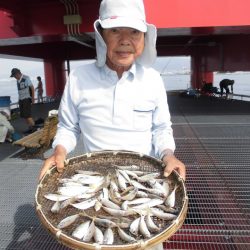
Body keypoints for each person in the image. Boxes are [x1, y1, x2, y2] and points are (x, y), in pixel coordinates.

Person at [39, 0, 186, 249]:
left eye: (134, 32)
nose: (125, 40)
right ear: (102, 36)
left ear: (144, 38)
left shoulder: (153, 80)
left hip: (144, 184)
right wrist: (60, 151)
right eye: (115, 31)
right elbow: (68, 126)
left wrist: (169, 154)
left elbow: (161, 128)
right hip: (93, 186)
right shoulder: (78, 78)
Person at [10, 68, 36, 134]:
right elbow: (19, 91)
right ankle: (31, 128)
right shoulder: (17, 80)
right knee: (24, 116)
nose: (14, 77)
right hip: (21, 100)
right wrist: (19, 100)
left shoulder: (26, 78)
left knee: (28, 116)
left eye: (14, 76)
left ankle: (35, 130)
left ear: (18, 73)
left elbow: (32, 88)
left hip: (26, 99)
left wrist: (33, 99)